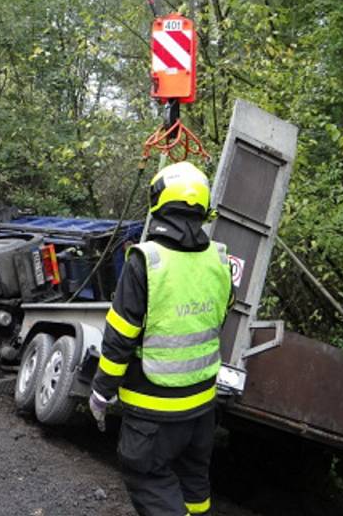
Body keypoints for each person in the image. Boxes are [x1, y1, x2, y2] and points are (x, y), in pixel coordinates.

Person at [89, 161, 233, 516]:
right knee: (193, 480)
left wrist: (101, 390)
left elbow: (120, 337)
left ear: (158, 204)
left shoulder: (146, 261)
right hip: (202, 405)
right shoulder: (219, 260)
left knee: (147, 476)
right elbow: (218, 318)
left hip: (154, 408)